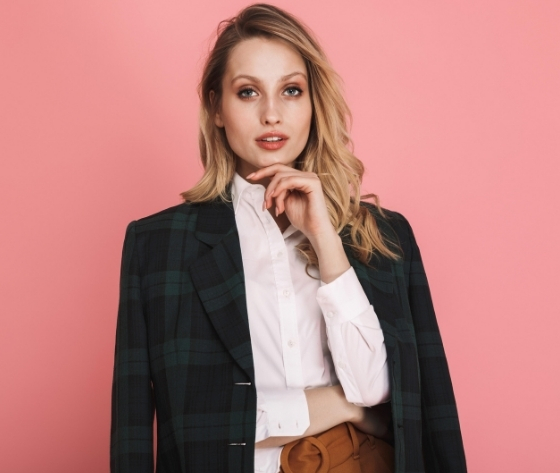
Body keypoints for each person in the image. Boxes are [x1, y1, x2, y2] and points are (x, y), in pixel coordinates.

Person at [110, 4, 466, 473]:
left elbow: (386, 392)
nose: (272, 114)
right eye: (248, 92)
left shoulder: (385, 237)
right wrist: (342, 406)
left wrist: (326, 239)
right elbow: (189, 426)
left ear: (314, 102)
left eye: (291, 91)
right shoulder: (158, 247)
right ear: (216, 107)